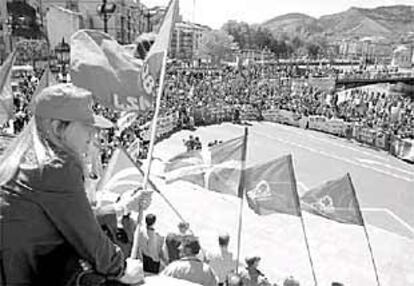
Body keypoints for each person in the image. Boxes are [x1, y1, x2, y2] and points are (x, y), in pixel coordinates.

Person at [0, 84, 145, 285]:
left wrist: (119, 208)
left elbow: (66, 218)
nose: (93, 135)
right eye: (87, 126)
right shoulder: (56, 166)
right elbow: (88, 239)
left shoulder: (21, 159)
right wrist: (122, 268)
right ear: (58, 127)